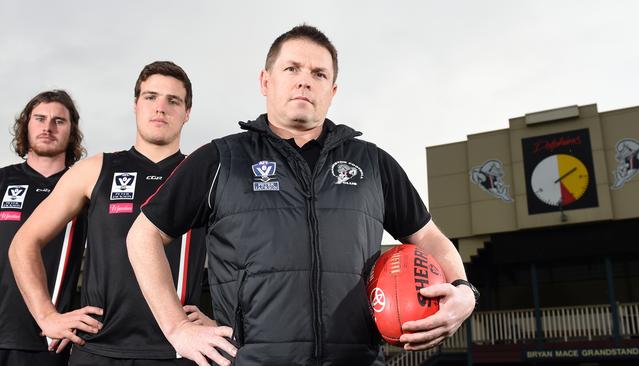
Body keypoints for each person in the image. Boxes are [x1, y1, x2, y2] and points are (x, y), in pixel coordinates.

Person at [127, 25, 477, 366]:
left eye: (319, 74)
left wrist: (464, 291)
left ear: (333, 90)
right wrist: (177, 328)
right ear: (266, 81)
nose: (305, 80)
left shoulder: (372, 164)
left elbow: (429, 235)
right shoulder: (221, 159)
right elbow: (143, 235)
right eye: (292, 68)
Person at [9, 62, 211, 365]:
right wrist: (46, 316)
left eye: (173, 100)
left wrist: (220, 318)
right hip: (99, 350)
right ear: (135, 105)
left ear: (187, 112)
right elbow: (24, 242)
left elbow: (250, 253)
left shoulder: (203, 174)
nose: (160, 108)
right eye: (150, 97)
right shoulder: (96, 169)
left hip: (181, 351)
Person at [0, 90, 87, 366]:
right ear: (26, 125)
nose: (48, 127)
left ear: (72, 131)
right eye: (40, 119)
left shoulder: (85, 188)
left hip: (51, 340)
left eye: (59, 121)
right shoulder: (3, 181)